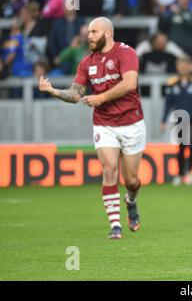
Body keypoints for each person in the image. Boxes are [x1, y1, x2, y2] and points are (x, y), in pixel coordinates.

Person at [38, 17, 146, 240]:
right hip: (104, 123)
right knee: (109, 171)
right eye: (89, 32)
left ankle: (131, 201)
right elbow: (76, 94)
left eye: (94, 32)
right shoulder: (87, 62)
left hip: (131, 122)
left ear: (107, 33)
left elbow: (130, 83)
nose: (89, 36)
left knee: (132, 180)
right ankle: (115, 226)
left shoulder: (126, 53)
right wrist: (54, 91)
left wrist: (101, 97)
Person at [160, 57, 192, 186]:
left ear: (190, 67)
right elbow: (168, 104)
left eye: (186, 65)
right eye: (181, 65)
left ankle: (189, 173)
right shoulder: (172, 83)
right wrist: (163, 120)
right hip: (180, 120)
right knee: (181, 147)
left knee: (191, 146)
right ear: (177, 67)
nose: (183, 68)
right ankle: (180, 174)